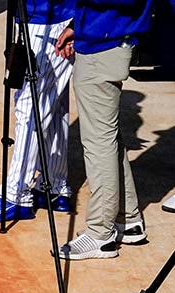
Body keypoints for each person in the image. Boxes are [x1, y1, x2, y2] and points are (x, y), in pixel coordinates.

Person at [55, 0, 154, 259]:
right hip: (104, 39)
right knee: (106, 138)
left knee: (99, 144)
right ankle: (128, 219)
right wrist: (80, 26)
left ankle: (101, 233)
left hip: (106, 48)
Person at [0, 0, 76, 223]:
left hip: (50, 22)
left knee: (30, 105)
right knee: (53, 103)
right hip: (49, 18)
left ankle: (16, 195)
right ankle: (55, 185)